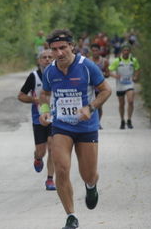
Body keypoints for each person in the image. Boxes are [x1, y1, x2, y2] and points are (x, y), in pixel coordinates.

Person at [39, 29, 112, 229]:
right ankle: (71, 216)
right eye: (54, 49)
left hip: (86, 126)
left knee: (88, 174)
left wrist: (91, 107)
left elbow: (106, 90)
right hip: (61, 125)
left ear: (72, 46)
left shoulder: (87, 67)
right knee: (61, 169)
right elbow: (44, 94)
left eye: (63, 48)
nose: (59, 53)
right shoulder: (50, 71)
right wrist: (44, 111)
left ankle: (91, 186)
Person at [18, 49, 56, 191]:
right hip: (38, 118)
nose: (47, 60)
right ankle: (38, 158)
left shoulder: (59, 75)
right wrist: (34, 99)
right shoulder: (33, 76)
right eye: (44, 57)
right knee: (42, 151)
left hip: (55, 117)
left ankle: (50, 179)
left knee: (52, 147)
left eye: (50, 57)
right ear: (39, 61)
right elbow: (21, 95)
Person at [108, 44, 140, 129]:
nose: (126, 52)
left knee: (130, 101)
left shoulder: (133, 60)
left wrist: (136, 76)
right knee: (121, 104)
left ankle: (129, 119)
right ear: (122, 52)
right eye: (124, 50)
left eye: (127, 50)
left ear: (130, 52)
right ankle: (122, 120)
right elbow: (109, 71)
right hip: (120, 85)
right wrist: (115, 76)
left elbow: (137, 69)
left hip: (130, 84)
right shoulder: (117, 61)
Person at [88, 43, 109, 129]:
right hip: (90, 88)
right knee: (89, 105)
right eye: (93, 51)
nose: (95, 52)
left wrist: (102, 74)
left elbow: (107, 73)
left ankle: (98, 123)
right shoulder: (87, 61)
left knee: (99, 106)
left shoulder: (104, 61)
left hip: (99, 88)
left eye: (96, 50)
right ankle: (90, 122)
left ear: (99, 51)